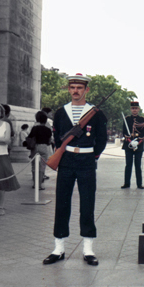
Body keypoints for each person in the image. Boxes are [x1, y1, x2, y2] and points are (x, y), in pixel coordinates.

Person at [43, 74, 108, 266]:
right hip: (67, 160)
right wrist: (62, 152)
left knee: (87, 204)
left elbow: (102, 139)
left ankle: (88, 249)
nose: (76, 91)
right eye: (72, 88)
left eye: (80, 88)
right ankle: (59, 248)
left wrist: (93, 156)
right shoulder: (61, 112)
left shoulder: (96, 113)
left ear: (86, 90)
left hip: (86, 160)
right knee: (62, 203)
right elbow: (56, 136)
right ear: (69, 89)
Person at [121, 101, 144, 189]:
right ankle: (126, 183)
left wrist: (137, 143)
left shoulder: (143, 120)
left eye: (136, 108)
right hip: (128, 145)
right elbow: (124, 132)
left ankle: (139, 184)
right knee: (128, 165)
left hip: (138, 146)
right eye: (133, 108)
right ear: (130, 109)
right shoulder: (126, 119)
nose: (134, 110)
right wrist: (130, 141)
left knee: (138, 165)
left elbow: (143, 134)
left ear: (138, 109)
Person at [27, 111, 52, 190]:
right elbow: (49, 141)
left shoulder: (34, 128)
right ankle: (40, 184)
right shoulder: (48, 129)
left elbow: (30, 137)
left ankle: (35, 183)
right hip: (44, 147)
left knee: (34, 166)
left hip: (35, 147)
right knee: (42, 167)